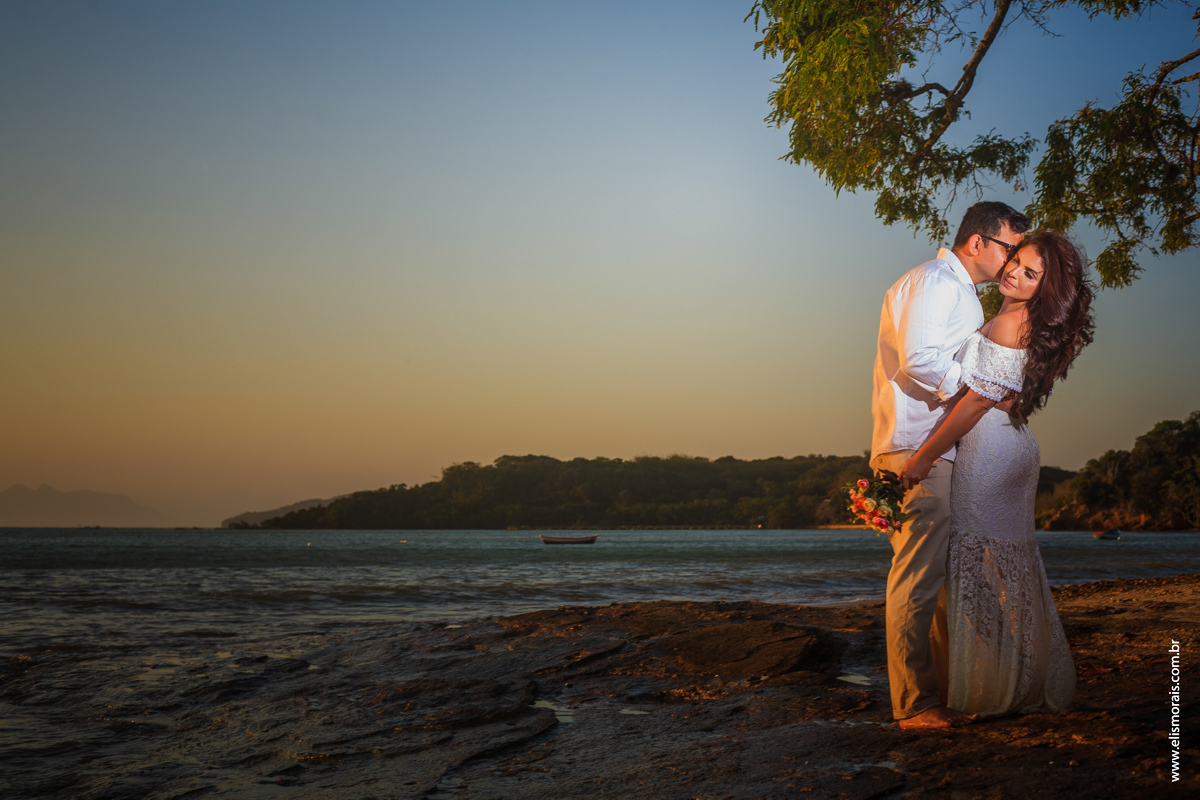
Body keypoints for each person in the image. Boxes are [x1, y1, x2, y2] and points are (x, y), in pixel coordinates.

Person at [900, 230, 1094, 718]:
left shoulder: (1013, 323)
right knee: (1006, 568)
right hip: (1010, 445)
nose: (1013, 273)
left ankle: (997, 688)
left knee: (982, 569)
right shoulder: (1018, 318)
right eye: (1017, 261)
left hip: (991, 451)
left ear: (1046, 289)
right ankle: (1021, 679)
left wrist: (923, 456)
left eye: (1030, 274)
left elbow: (978, 401)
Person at [871, 201, 1029, 730]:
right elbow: (919, 361)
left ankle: (944, 691)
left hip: (940, 448)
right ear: (978, 242)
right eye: (1009, 248)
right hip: (920, 447)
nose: (1012, 262)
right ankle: (914, 704)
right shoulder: (937, 281)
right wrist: (978, 392)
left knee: (942, 583)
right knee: (917, 581)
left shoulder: (960, 290)